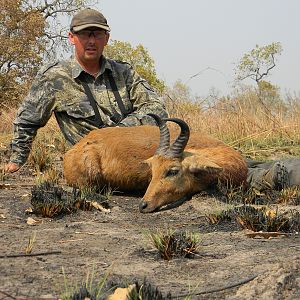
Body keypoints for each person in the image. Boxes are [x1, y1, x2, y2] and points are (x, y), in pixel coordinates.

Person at [4, 8, 168, 173]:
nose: (91, 41)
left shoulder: (124, 72)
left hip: (136, 160)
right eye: (84, 34)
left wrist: (119, 132)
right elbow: (27, 122)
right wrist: (17, 160)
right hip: (91, 166)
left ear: (107, 38)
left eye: (97, 34)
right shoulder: (54, 77)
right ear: (71, 37)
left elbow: (156, 108)